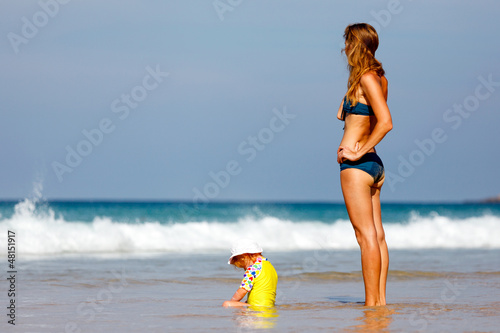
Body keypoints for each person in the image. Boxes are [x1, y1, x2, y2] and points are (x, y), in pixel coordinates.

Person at [337, 23, 393, 306]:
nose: (343, 48)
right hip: (374, 165)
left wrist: (358, 153)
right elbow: (341, 115)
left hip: (358, 167)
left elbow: (385, 122)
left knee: (365, 235)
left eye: (346, 42)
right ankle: (379, 302)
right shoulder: (376, 78)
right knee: (377, 235)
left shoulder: (369, 78)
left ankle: (372, 304)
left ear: (355, 45)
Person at [222, 239, 278, 307]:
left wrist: (232, 302)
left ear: (244, 256)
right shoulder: (270, 267)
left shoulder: (253, 269)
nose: (245, 269)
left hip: (257, 309)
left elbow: (243, 290)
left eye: (242, 265)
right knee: (245, 302)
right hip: (269, 307)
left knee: (226, 304)